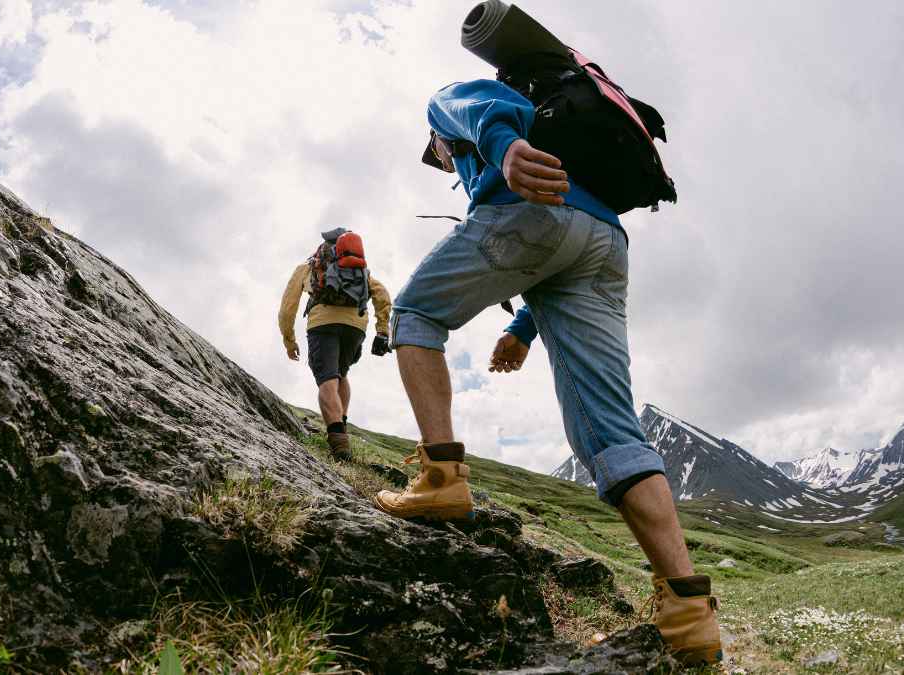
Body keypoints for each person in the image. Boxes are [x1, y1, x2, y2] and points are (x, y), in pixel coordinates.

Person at [371, 78, 722, 665]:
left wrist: (505, 150)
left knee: (413, 315)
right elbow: (560, 256)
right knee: (612, 432)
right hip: (605, 241)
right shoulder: (571, 147)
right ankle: (689, 614)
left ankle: (440, 481)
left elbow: (476, 106)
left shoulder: (451, 108)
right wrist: (521, 330)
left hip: (530, 212)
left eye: (435, 154)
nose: (439, 160)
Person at [279, 228, 392, 461]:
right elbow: (382, 295)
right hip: (355, 327)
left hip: (323, 324)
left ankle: (339, 444)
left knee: (327, 380)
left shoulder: (308, 268)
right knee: (341, 373)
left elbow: (287, 307)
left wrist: (289, 339)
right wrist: (382, 331)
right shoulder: (360, 271)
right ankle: (341, 424)